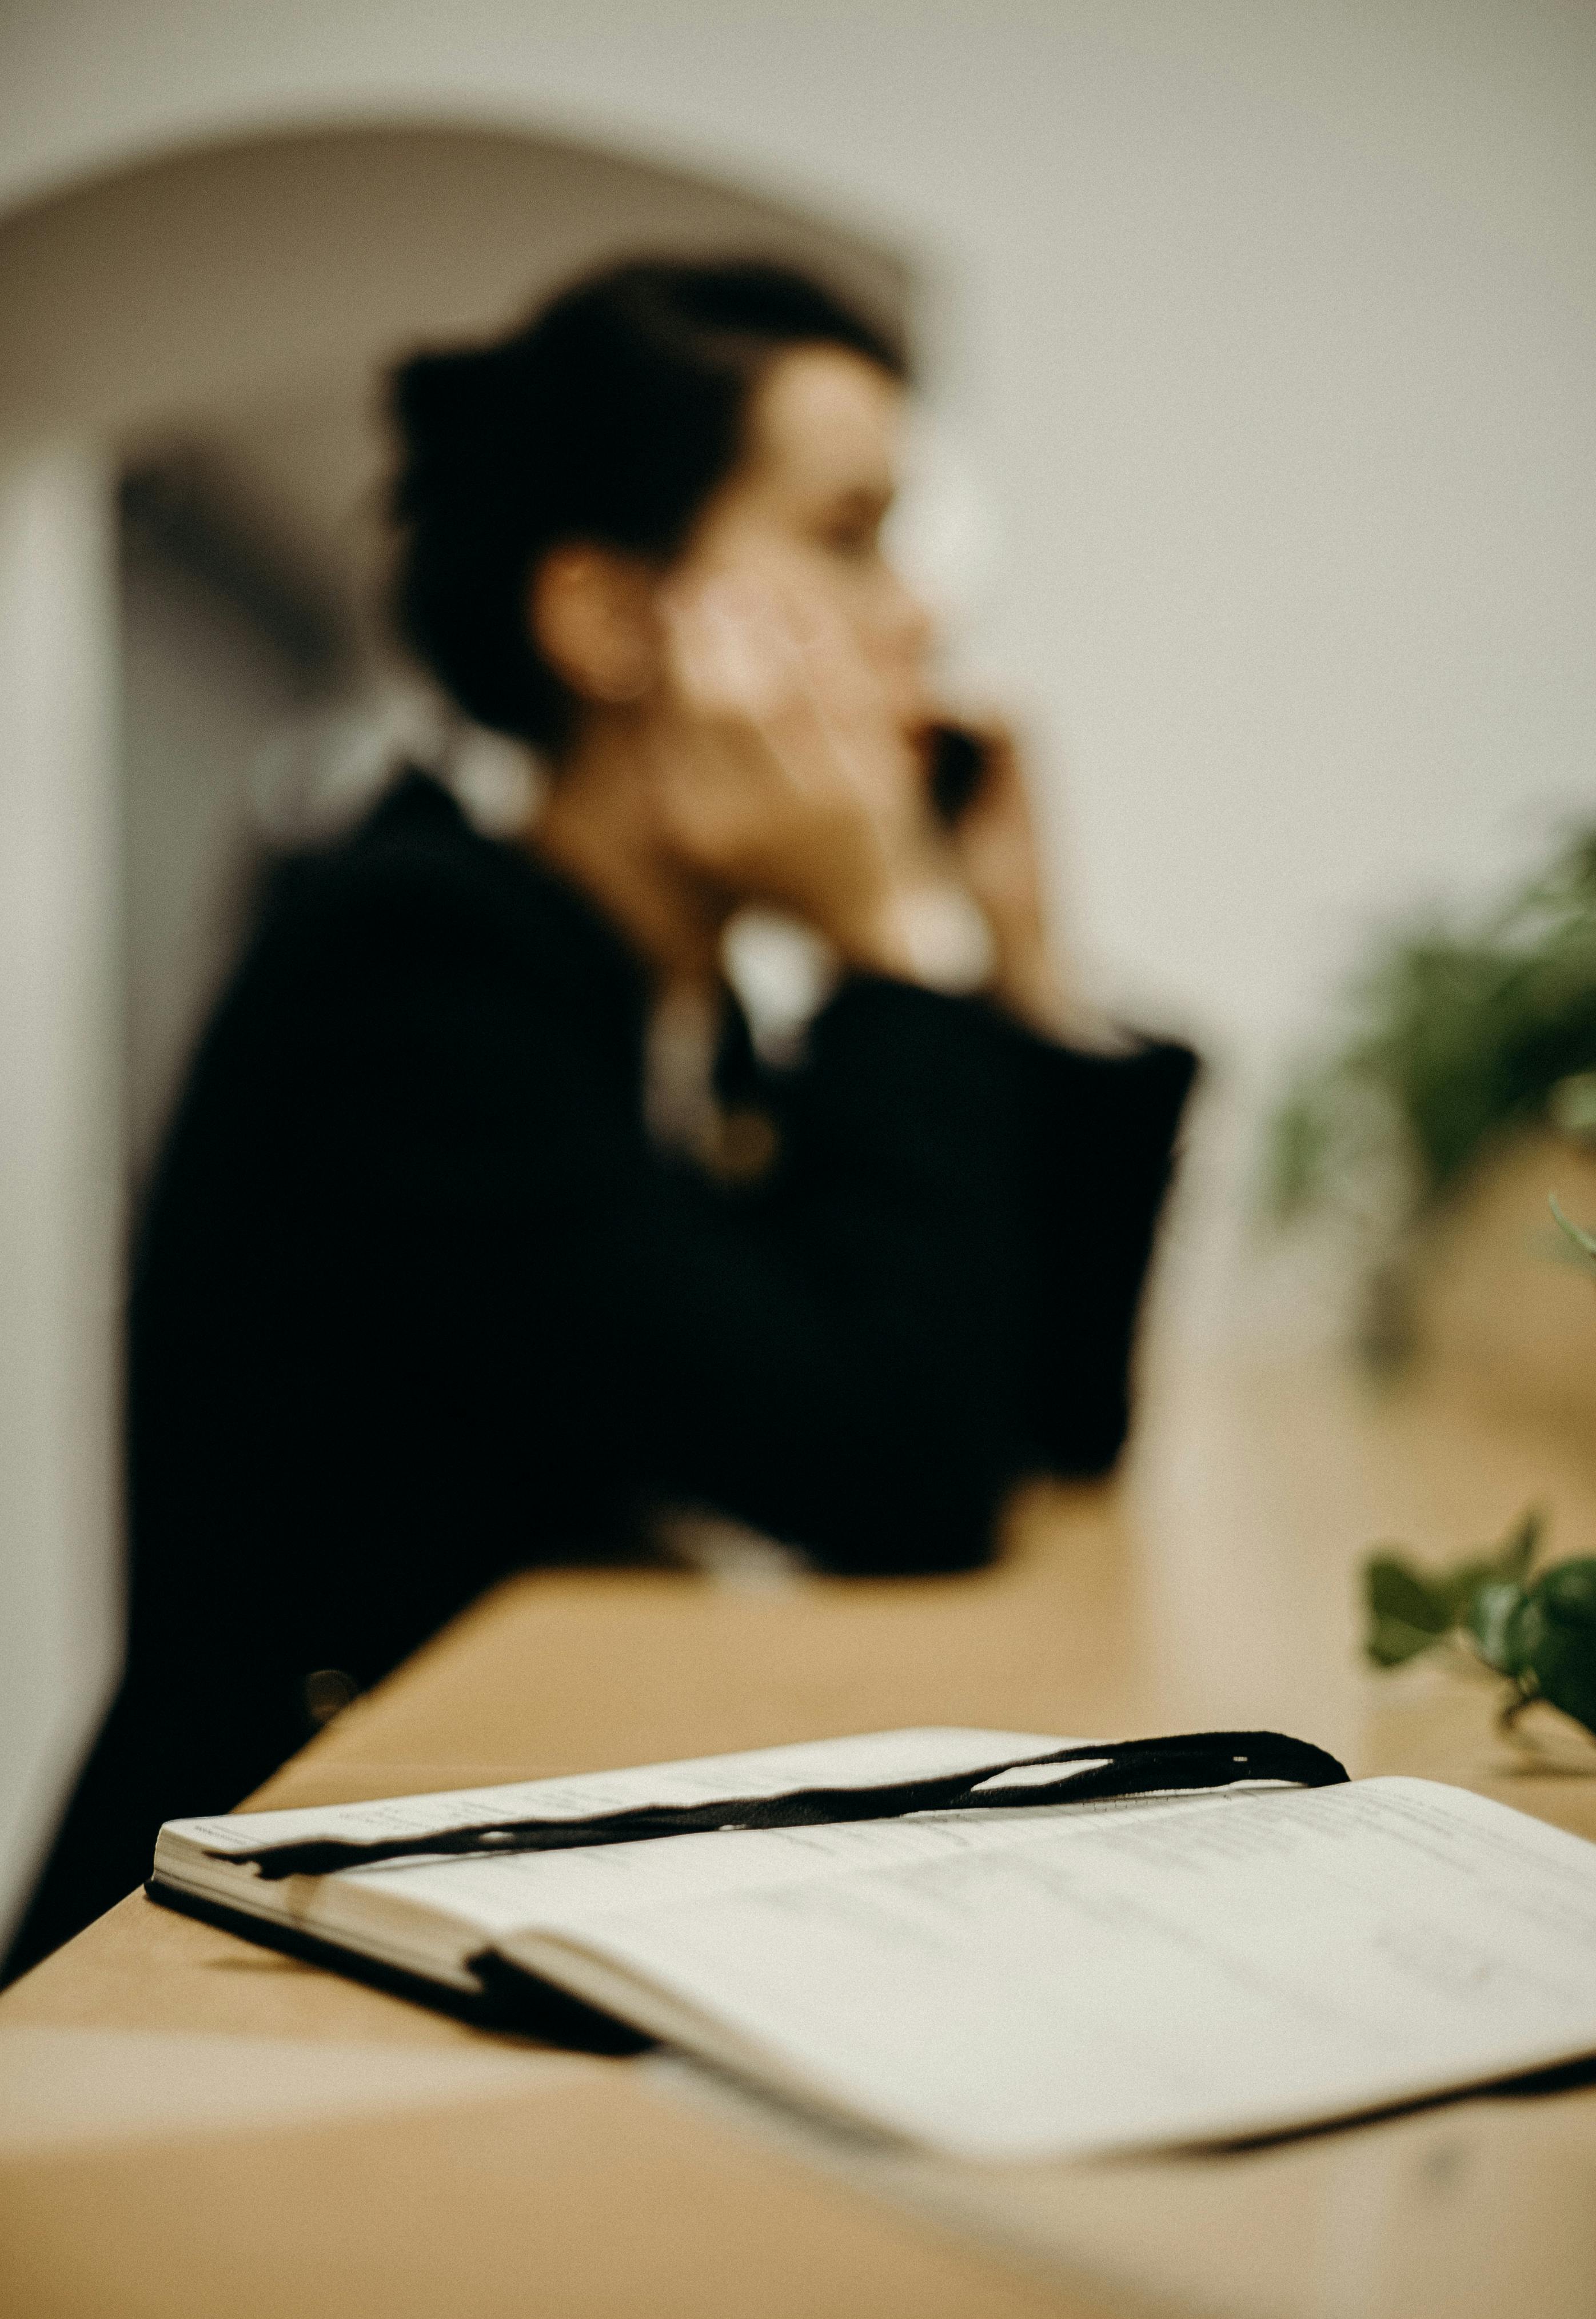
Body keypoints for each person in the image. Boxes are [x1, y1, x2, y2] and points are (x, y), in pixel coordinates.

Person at [5, 258, 1195, 1982]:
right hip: (231, 1942)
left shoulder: (663, 1002)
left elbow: (1042, 1416)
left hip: (471, 1870)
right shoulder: (413, 961)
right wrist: (894, 951)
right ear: (606, 623)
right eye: (852, 535)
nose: (919, 620)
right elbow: (903, 1472)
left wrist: (1020, 974)